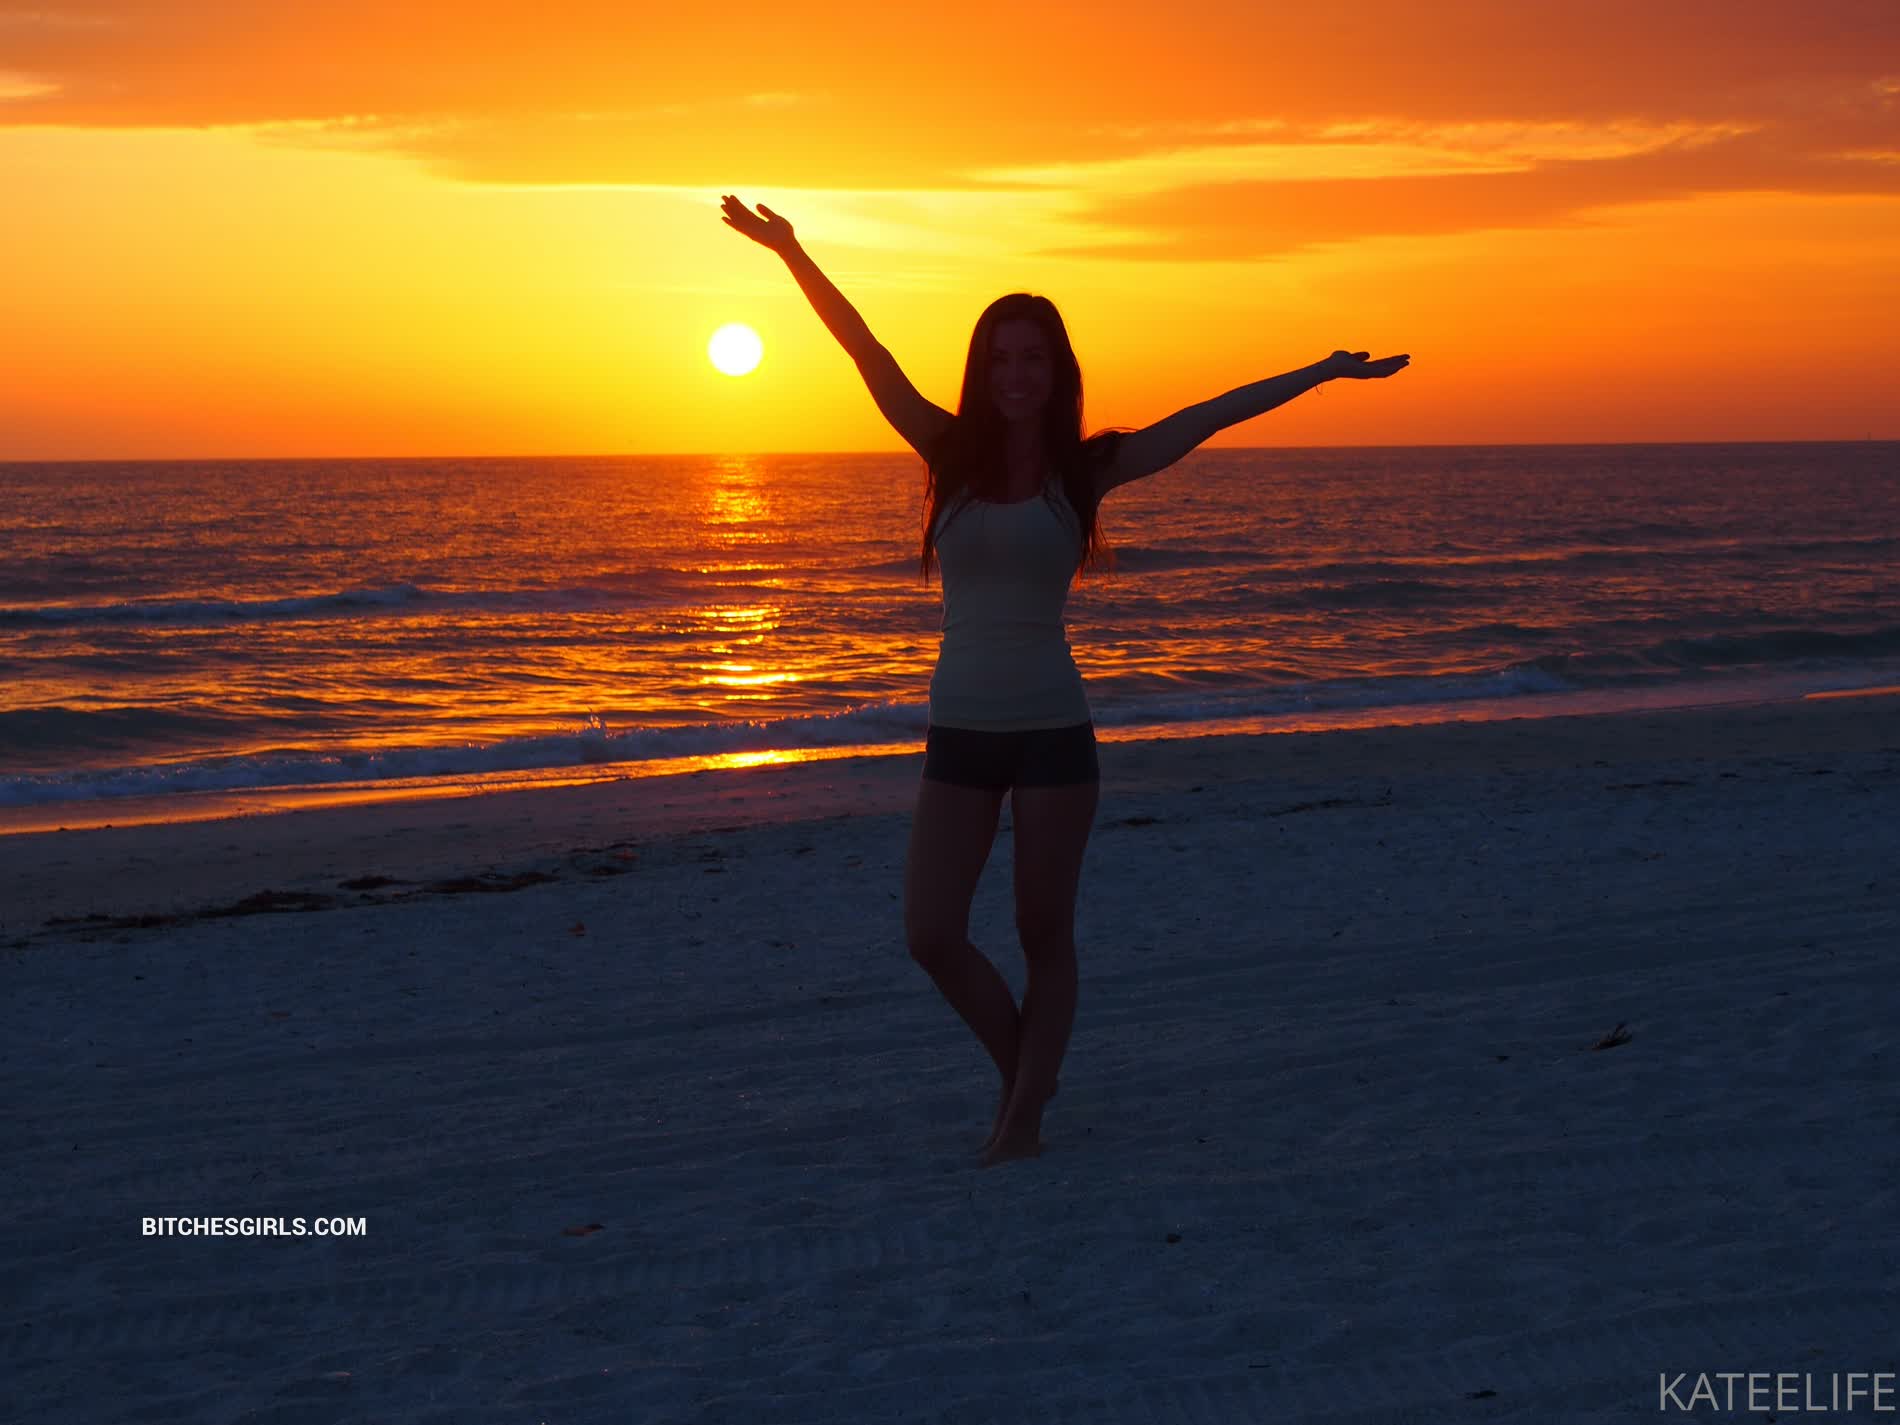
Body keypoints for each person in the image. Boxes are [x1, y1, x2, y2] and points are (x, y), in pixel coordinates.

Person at [720, 194, 1409, 1166]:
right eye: (1000, 358)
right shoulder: (944, 450)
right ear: (980, 369)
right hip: (960, 731)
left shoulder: (1087, 471)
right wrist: (791, 252)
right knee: (930, 932)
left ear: (1057, 373)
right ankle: (1028, 1079)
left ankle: (1022, 1121)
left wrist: (1323, 372)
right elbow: (863, 349)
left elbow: (1207, 416)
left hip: (1052, 731)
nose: (1014, 374)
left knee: (1042, 929)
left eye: (1032, 358)